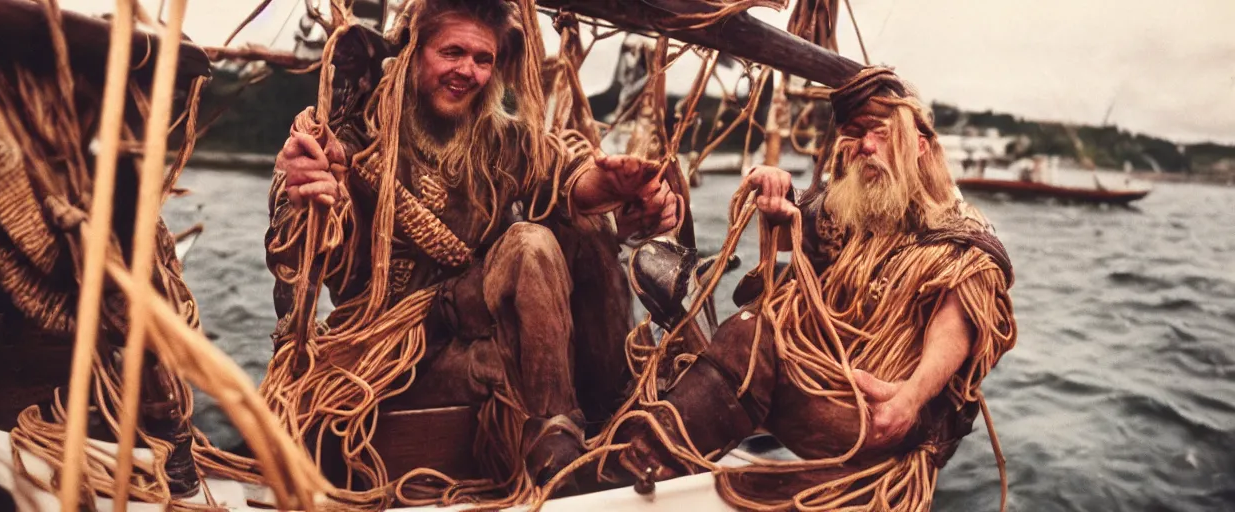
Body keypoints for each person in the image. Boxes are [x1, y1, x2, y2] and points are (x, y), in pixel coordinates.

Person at [265, 0, 681, 487]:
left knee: (584, 234)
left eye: (483, 59)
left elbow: (564, 175)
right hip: (393, 354)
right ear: (414, 54)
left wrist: (617, 188)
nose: (469, 71)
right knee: (529, 243)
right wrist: (305, 193)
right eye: (453, 52)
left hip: (475, 322)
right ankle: (560, 456)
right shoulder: (356, 141)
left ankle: (593, 422)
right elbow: (300, 258)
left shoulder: (503, 142)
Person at [617, 68, 1017, 508]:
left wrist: (909, 399)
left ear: (920, 144)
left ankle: (643, 462)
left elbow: (958, 322)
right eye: (854, 134)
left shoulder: (962, 232)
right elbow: (796, 223)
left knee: (751, 339)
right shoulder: (862, 208)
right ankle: (661, 448)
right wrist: (775, 193)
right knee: (747, 331)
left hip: (876, 417)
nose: (866, 146)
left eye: (881, 133)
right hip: (829, 386)